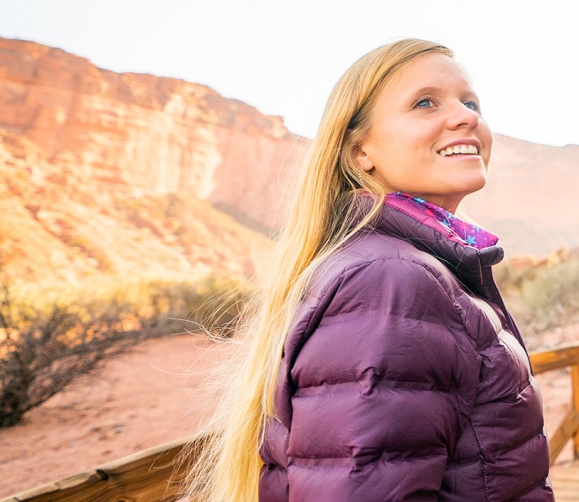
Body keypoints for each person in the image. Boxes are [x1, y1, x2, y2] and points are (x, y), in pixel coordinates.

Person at [189, 39, 554, 501]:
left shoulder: (399, 264)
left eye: (470, 102)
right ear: (361, 152)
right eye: (425, 102)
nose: (467, 116)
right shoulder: (390, 281)